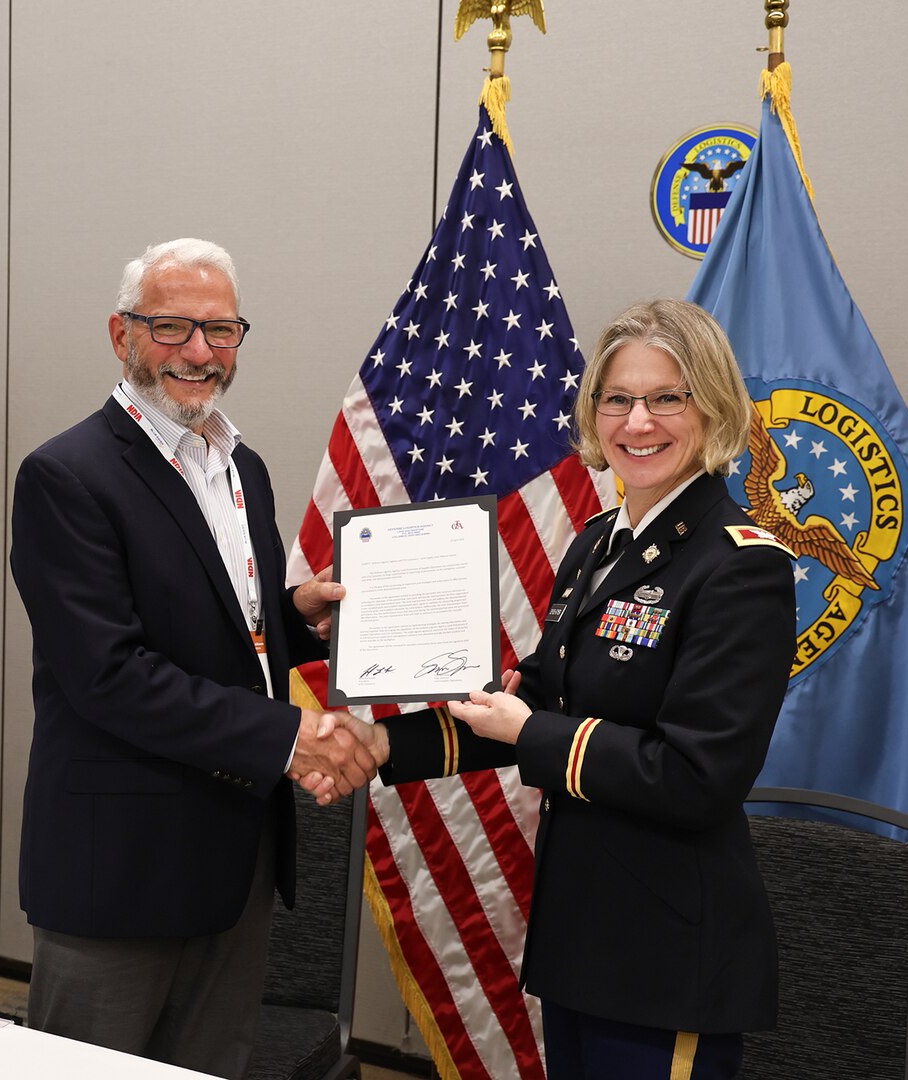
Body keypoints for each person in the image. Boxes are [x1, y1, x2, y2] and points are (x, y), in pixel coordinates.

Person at [308, 299, 797, 1079]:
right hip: (579, 938)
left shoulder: (740, 563)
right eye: (618, 400)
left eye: (667, 398)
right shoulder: (603, 542)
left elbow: (695, 777)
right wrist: (376, 745)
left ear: (714, 409)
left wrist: (525, 731)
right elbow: (533, 699)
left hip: (666, 957)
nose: (638, 422)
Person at [8, 237, 375, 1079]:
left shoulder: (239, 464)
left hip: (232, 858)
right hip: (121, 870)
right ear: (121, 335)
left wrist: (290, 616)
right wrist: (290, 738)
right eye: (171, 328)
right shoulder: (67, 476)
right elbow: (110, 674)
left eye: (221, 330)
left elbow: (214, 628)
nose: (199, 352)